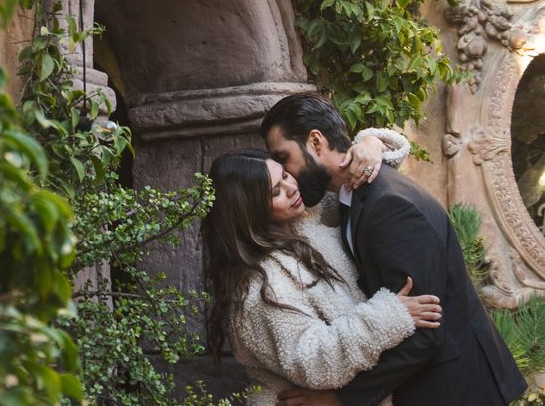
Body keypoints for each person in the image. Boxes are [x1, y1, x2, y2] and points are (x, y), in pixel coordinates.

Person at [261, 92, 526, 406]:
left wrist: (340, 399)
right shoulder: (352, 194)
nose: (287, 174)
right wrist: (373, 140)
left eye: (282, 158)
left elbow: (426, 329)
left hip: (454, 389)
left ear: (315, 141)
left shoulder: (388, 205)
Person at [201, 135, 442, 406]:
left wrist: (371, 144)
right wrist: (390, 316)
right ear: (248, 212)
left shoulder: (305, 222)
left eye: (285, 176)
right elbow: (313, 362)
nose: (291, 188)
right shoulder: (258, 288)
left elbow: (353, 184)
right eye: (275, 192)